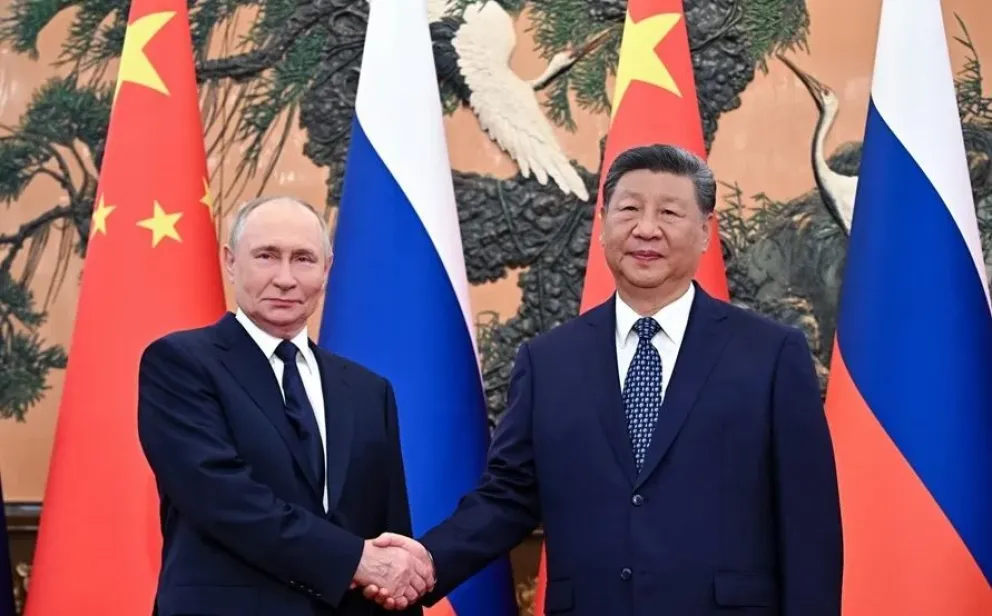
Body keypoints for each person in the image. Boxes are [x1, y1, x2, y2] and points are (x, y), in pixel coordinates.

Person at [364, 144, 843, 615]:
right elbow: (508, 496)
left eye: (670, 213)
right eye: (629, 208)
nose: (646, 228)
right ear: (603, 226)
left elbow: (809, 526)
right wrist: (428, 559)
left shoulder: (771, 354)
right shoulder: (549, 360)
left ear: (704, 232)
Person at [137, 196, 434, 616]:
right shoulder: (181, 364)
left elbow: (389, 533)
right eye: (266, 256)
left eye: (303, 259)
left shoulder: (370, 391)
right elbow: (223, 498)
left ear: (327, 269)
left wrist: (396, 578)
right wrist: (354, 560)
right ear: (230, 261)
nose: (285, 278)